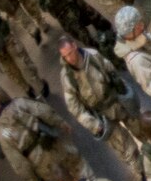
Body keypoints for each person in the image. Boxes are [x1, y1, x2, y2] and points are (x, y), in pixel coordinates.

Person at [50, 34, 140, 172]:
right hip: (101, 115)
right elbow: (75, 108)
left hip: (116, 101)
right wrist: (93, 125)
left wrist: (125, 94)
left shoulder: (93, 56)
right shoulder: (67, 77)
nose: (70, 58)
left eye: (70, 53)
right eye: (65, 56)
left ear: (74, 45)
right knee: (125, 148)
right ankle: (143, 173)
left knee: (141, 129)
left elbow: (112, 72)